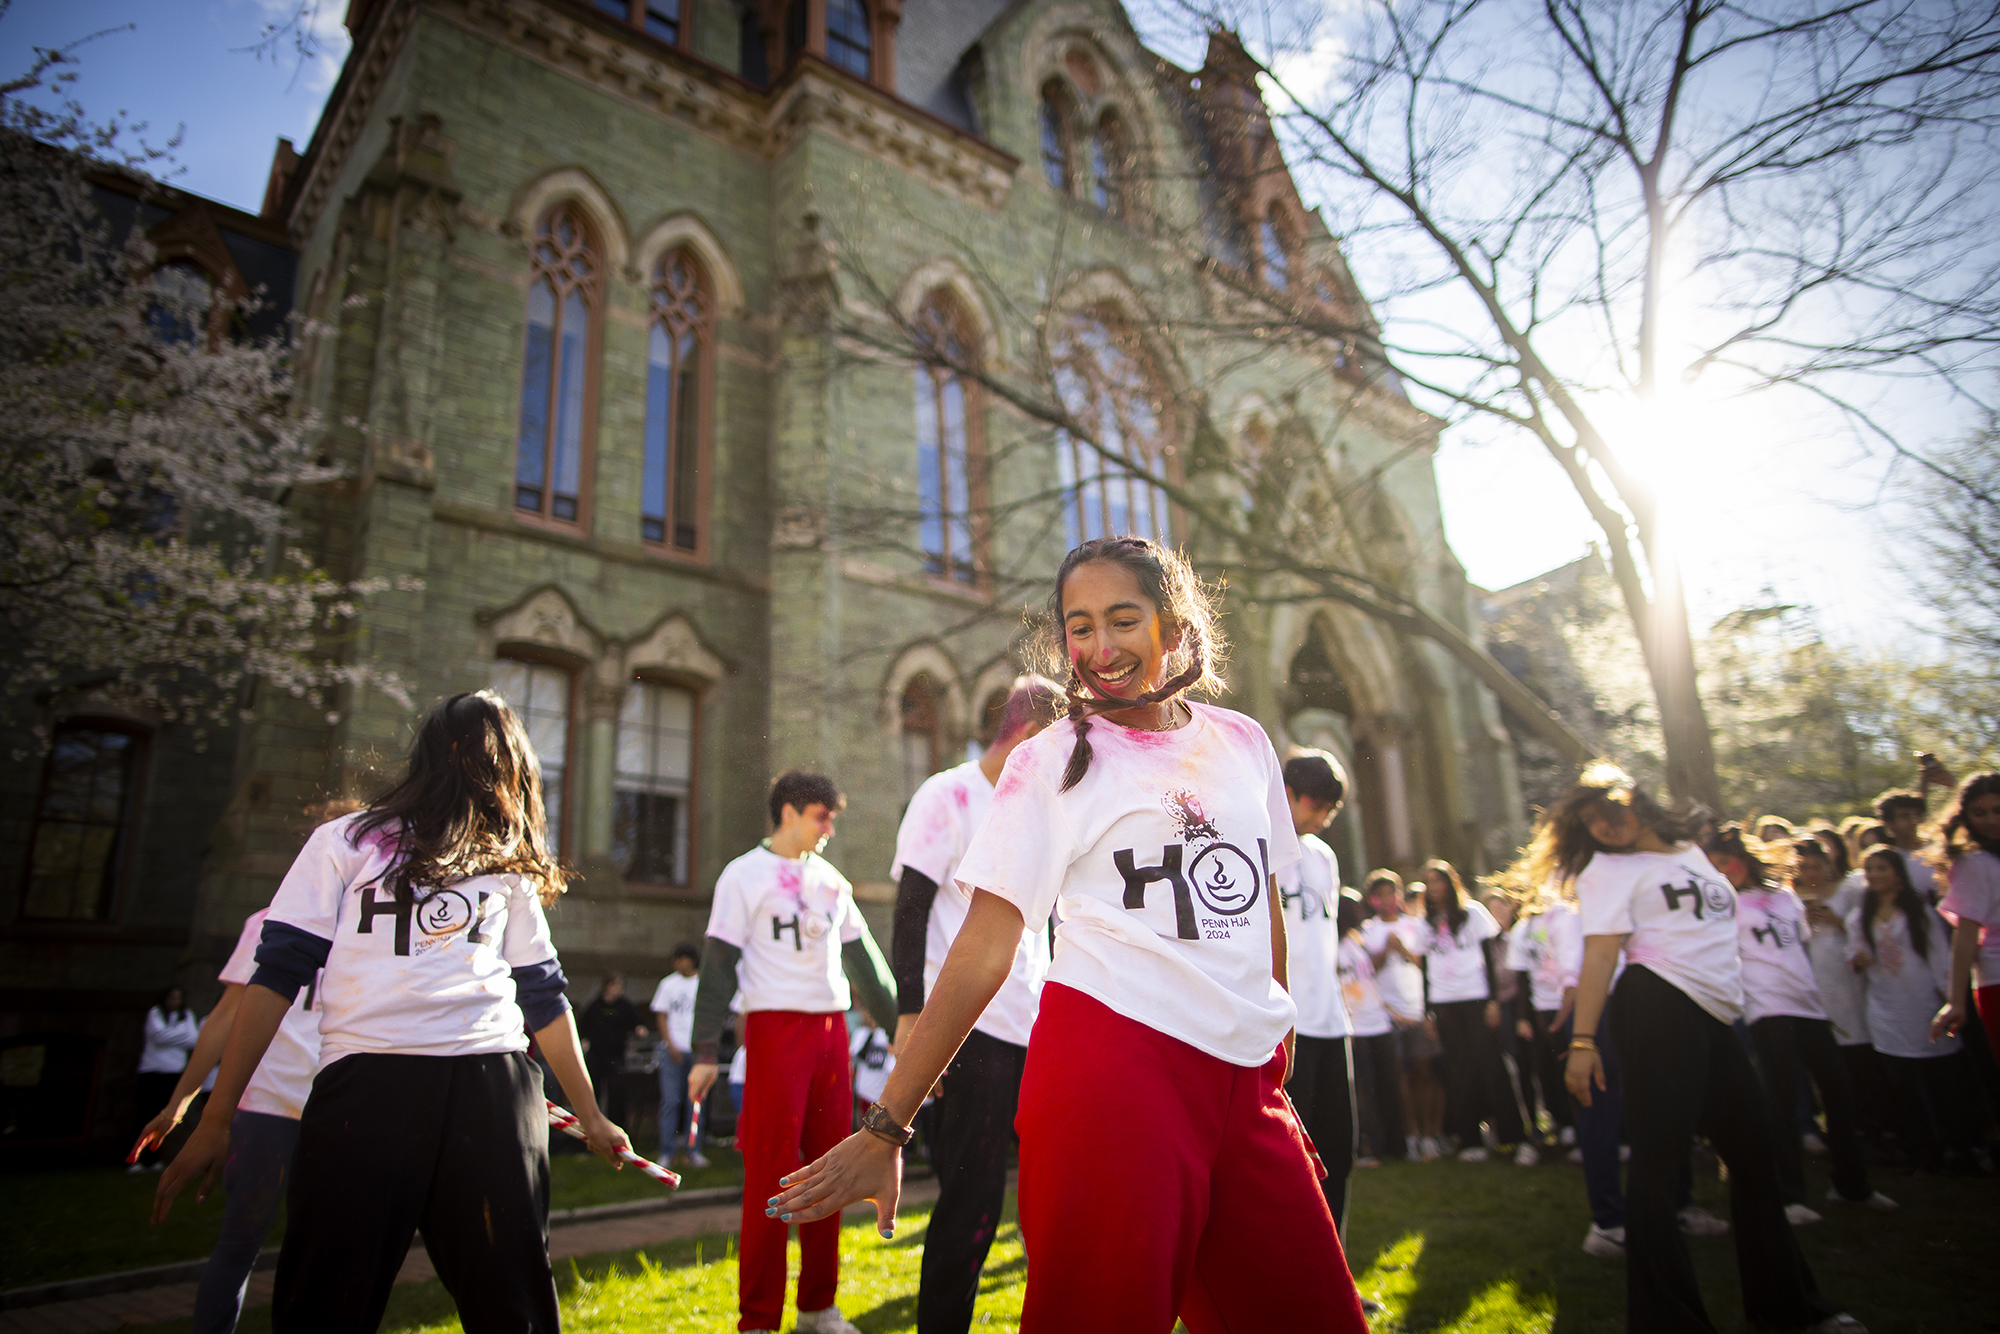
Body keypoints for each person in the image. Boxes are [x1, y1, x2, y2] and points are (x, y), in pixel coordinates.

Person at [768, 535, 1367, 1331]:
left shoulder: (1245, 744)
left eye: (1124, 620)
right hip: (1116, 1075)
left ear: (1173, 623)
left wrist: (1275, 1050)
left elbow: (1264, 907)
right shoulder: (1050, 762)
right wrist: (888, 1123)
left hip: (1248, 1084)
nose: (1101, 647)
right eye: (1080, 627)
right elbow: (982, 949)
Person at [153, 690, 629, 1334]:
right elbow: (275, 979)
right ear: (476, 759)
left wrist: (592, 1115)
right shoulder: (343, 844)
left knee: (512, 1303)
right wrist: (216, 1116)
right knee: (325, 1300)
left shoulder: (502, 864)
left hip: (487, 1086)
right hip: (370, 1087)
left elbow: (545, 996)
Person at [1552, 763, 1859, 1334]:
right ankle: (1667, 1321)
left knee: (1754, 1162)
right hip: (1657, 1009)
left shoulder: (1690, 851)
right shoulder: (1607, 873)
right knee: (1658, 1166)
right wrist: (1583, 1042)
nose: (1603, 827)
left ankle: (1788, 1310)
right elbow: (1599, 957)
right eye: (1590, 822)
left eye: (1609, 811)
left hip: (1717, 1015)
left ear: (1636, 801)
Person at [685, 770, 899, 1334]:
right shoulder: (742, 875)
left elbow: (866, 964)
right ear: (788, 812)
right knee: (771, 1175)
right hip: (775, 1032)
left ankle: (817, 1310)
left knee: (832, 1170)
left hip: (832, 1034)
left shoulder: (831, 880)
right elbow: (717, 966)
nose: (829, 827)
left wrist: (906, 1028)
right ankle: (757, 1320)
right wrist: (706, 1048)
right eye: (821, 816)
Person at [888, 674, 1062, 1334]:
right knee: (973, 1196)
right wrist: (910, 1012)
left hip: (1035, 1025)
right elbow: (911, 908)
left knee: (1045, 1193)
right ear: (1026, 730)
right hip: (967, 1027)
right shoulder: (950, 793)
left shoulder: (1041, 808)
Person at [131, 905, 324, 1334]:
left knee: (329, 1250)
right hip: (268, 1103)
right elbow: (224, 1017)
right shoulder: (272, 918)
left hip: (341, 1103)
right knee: (240, 1242)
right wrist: (177, 1105)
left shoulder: (386, 909)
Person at [1704, 827, 1891, 1221]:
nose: (1722, 872)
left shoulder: (1785, 895)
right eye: (1713, 867)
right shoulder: (1722, 905)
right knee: (1783, 1100)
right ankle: (1790, 1196)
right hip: (1767, 1007)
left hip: (1808, 1005)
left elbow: (1797, 945)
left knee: (1839, 1092)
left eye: (1726, 863)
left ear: (1745, 858)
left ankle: (1852, 1186)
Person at [1847, 848, 1980, 1174]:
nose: (1876, 874)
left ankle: (1961, 1150)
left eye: (1883, 868)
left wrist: (1950, 998)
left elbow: (1939, 956)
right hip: (1886, 1009)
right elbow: (1854, 955)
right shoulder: (1859, 916)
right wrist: (1859, 960)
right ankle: (1927, 1151)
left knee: (1944, 1082)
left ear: (1897, 873)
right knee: (1905, 1087)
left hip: (1924, 1005)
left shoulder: (1920, 912)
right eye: (1871, 869)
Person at [1276, 749, 1358, 1232]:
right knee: (1293, 1160)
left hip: (1331, 1019)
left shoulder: (1324, 857)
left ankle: (1339, 1279)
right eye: (1316, 804)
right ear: (1287, 794)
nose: (1324, 817)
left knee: (1338, 1152)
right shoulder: (1260, 845)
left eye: (1331, 808)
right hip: (1287, 1024)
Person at [1420, 859, 1524, 1159]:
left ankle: (1514, 1135)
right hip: (1444, 1002)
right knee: (1457, 1069)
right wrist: (1428, 1011)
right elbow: (1425, 968)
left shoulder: (1473, 913)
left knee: (1491, 1065)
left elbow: (1490, 959)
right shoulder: (1423, 923)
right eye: (1429, 883)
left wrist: (1493, 1000)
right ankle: (1470, 1140)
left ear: (1450, 883)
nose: (1434, 887)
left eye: (1438, 880)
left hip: (1477, 998)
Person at [1790, 837, 1889, 1148]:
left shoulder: (1850, 891)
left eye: (1816, 866)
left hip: (1848, 983)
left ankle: (1879, 1124)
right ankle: (1849, 1125)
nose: (1811, 873)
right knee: (1832, 1062)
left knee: (1860, 1057)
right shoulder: (1791, 899)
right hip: (1815, 987)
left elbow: (1869, 932)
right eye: (1804, 867)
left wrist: (1837, 920)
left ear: (1828, 865)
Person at [1361, 871, 1442, 1159]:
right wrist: (1386, 950)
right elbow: (1365, 972)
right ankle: (1409, 1135)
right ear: (1372, 900)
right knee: (1399, 1078)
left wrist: (1404, 949)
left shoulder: (1415, 926)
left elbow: (1429, 965)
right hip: (1386, 1015)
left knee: (1426, 1073)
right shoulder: (1368, 930)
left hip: (1419, 1011)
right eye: (1380, 894)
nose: (1387, 899)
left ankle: (1432, 1134)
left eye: (1392, 892)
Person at [1504, 883, 1581, 1166]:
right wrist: (1524, 1016)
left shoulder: (1568, 918)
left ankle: (1584, 1127)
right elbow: (1522, 978)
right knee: (1547, 1069)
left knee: (1573, 1065)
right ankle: (1562, 1123)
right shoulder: (1522, 929)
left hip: (1572, 1004)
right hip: (1540, 1008)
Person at [1933, 771, 2000, 1063]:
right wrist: (1956, 1001)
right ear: (1965, 816)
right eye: (1979, 813)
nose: (1991, 820)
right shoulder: (1974, 865)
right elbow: (1965, 938)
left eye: (1998, 810)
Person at [1338, 902, 1402, 1165]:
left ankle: (1396, 1145)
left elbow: (1368, 974)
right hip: (1356, 1027)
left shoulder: (1356, 941)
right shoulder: (1332, 946)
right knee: (1364, 1092)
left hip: (1379, 1022)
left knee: (1389, 1084)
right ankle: (1369, 1147)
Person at [128, 988, 200, 1173]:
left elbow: (193, 1039)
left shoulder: (187, 1014)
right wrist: (180, 1035)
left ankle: (153, 1160)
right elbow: (158, 1036)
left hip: (174, 1072)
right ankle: (135, 1159)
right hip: (152, 1071)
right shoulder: (155, 1013)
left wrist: (171, 1035)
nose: (175, 1001)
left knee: (166, 1115)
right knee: (145, 1113)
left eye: (178, 997)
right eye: (172, 997)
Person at [650, 945, 706, 1166]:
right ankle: (667, 1150)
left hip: (697, 1051)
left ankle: (693, 1151)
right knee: (671, 1101)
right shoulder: (668, 984)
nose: (677, 964)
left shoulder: (703, 984)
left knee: (696, 1103)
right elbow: (661, 1016)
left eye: (680, 959)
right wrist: (670, 1044)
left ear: (691, 960)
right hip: (673, 1050)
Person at [578, 973, 648, 1124]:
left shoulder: (624, 1006)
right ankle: (592, 1126)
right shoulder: (595, 1006)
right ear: (608, 986)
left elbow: (635, 1021)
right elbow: (584, 1025)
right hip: (596, 1055)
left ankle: (616, 1126)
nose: (619, 989)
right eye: (616, 986)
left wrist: (639, 1029)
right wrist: (584, 1040)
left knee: (616, 1093)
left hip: (616, 1056)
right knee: (594, 1091)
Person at [1873, 785, 1939, 902]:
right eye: (1905, 816)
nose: (1914, 821)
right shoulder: (1887, 860)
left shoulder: (1937, 851)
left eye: (1917, 814)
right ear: (1889, 823)